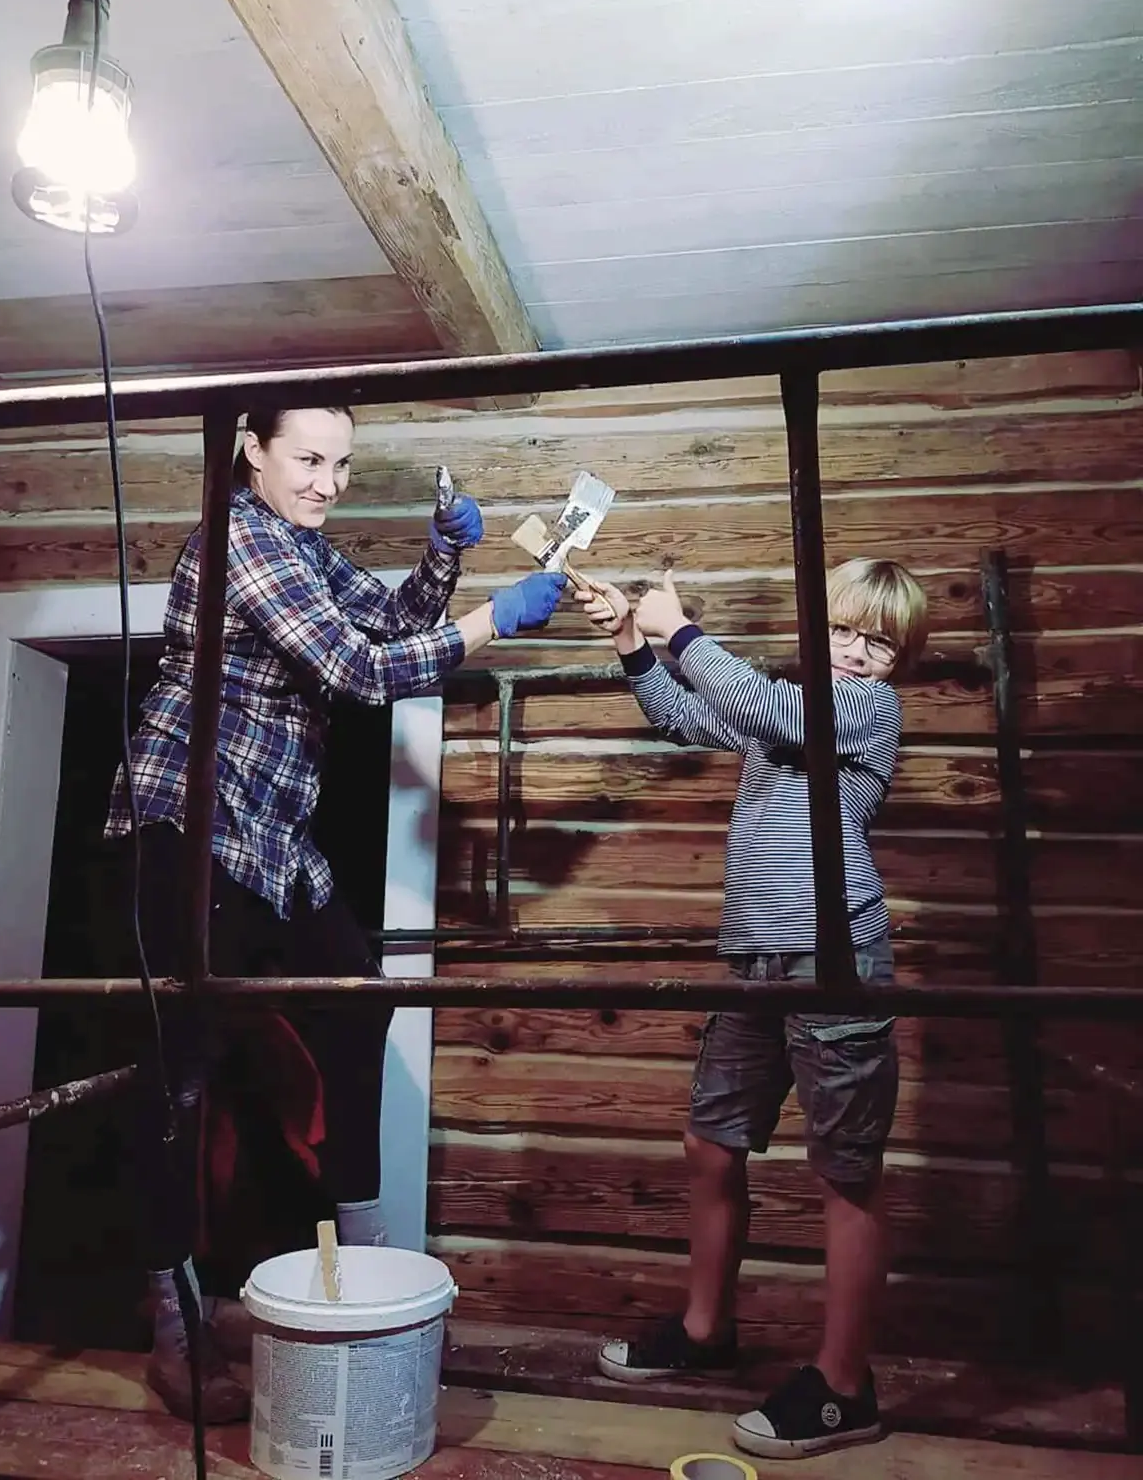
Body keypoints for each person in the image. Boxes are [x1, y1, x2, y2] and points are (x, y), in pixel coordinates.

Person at [103, 405, 567, 1424]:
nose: (328, 483)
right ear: (253, 451)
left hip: (276, 837)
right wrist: (492, 620)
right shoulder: (238, 539)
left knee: (358, 1003)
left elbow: (390, 624)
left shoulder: (305, 549)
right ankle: (175, 1327)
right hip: (191, 819)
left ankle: (366, 1268)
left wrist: (442, 558)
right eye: (309, 460)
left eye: (343, 464)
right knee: (179, 1075)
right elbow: (357, 674)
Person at [576, 559, 928, 1460]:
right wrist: (634, 639)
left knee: (846, 1171)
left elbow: (767, 706)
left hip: (836, 962)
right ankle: (706, 1332)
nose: (856, 652)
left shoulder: (862, 710)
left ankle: (845, 1388)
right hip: (756, 961)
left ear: (898, 664)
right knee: (712, 1141)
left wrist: (683, 629)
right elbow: (683, 715)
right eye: (843, 630)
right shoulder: (785, 706)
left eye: (880, 644)